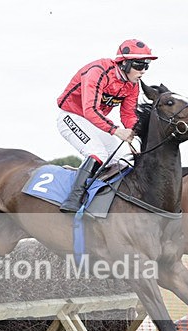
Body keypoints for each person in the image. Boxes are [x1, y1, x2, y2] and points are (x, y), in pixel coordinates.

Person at [55, 39, 157, 212]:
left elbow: (128, 115)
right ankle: (72, 199)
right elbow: (90, 110)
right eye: (139, 65)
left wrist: (135, 132)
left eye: (146, 66)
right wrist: (116, 131)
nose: (143, 71)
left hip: (95, 122)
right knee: (98, 153)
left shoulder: (132, 85)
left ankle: (102, 200)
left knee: (122, 161)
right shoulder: (98, 72)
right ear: (124, 63)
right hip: (72, 115)